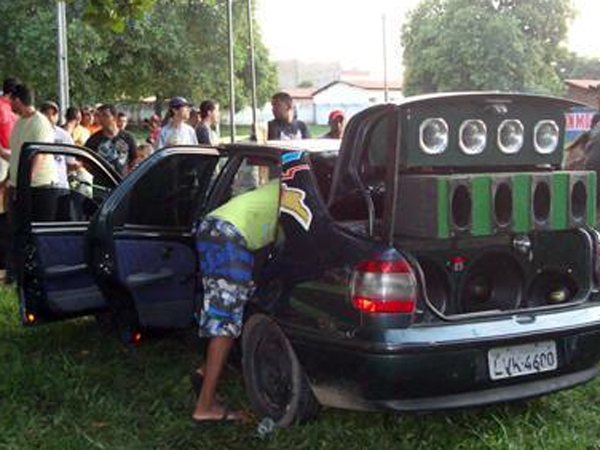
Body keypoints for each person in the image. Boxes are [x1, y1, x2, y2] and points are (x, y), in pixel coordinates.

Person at [191, 180, 280, 424]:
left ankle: (204, 371)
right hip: (229, 234)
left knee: (229, 308)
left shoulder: (284, 181)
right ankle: (205, 407)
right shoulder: (299, 192)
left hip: (216, 226)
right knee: (226, 319)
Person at [9, 84, 58, 221]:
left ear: (17, 101)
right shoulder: (19, 122)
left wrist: (23, 185)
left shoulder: (40, 123)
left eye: (11, 101)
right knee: (20, 232)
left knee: (38, 235)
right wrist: (9, 180)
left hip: (39, 188)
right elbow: (16, 154)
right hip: (20, 186)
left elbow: (39, 156)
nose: (9, 105)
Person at [85, 103, 137, 176]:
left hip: (122, 183)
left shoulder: (128, 137)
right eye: (99, 116)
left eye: (105, 115)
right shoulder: (93, 139)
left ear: (114, 117)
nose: (101, 119)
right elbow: (85, 161)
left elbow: (134, 159)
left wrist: (128, 175)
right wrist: (96, 174)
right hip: (101, 184)